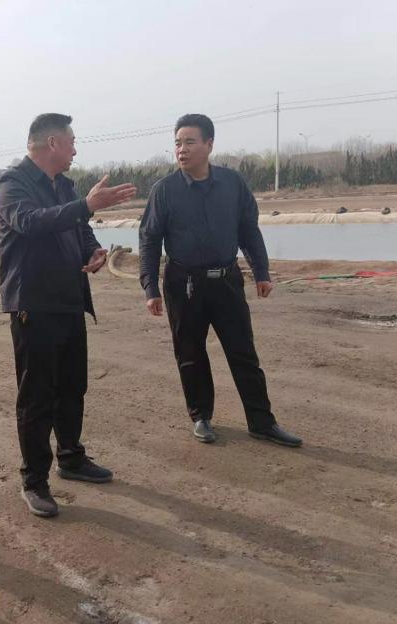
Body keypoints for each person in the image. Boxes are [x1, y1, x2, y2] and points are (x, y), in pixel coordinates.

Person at [0, 113, 137, 517]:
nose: (75, 150)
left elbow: (79, 227)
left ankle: (71, 457)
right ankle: (34, 481)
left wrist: (92, 250)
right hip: (34, 306)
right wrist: (86, 205)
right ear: (53, 143)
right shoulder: (12, 185)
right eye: (72, 142)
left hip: (70, 300)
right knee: (37, 397)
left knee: (72, 387)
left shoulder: (65, 185)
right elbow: (30, 223)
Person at [139, 113, 302, 448]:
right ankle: (201, 416)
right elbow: (149, 239)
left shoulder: (232, 183)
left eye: (189, 142)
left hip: (226, 281)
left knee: (243, 353)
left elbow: (248, 230)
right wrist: (150, 287)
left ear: (209, 144)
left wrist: (261, 271)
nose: (181, 149)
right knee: (190, 354)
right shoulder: (164, 191)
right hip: (183, 284)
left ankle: (262, 422)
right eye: (177, 143)